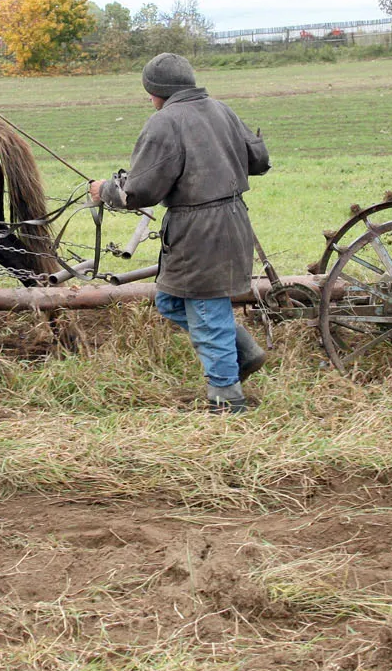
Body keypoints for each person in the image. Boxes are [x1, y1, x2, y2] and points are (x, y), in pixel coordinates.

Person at [88, 53, 271, 413]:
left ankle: (227, 402)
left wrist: (105, 190)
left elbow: (139, 192)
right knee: (171, 302)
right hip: (234, 219)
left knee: (205, 312)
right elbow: (260, 161)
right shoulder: (222, 110)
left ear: (156, 92)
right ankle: (245, 354)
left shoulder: (164, 122)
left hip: (199, 229)